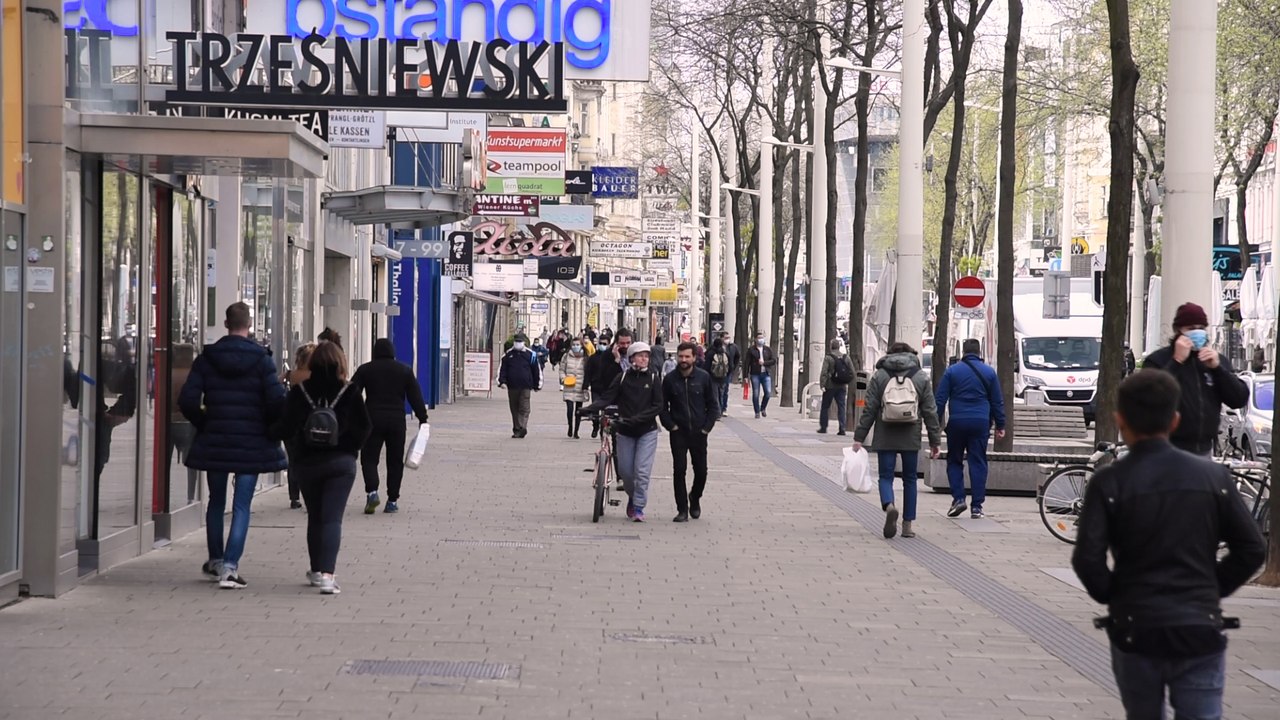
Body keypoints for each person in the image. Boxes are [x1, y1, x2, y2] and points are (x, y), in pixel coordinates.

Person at [1071, 370, 1265, 720]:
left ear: (1120, 420)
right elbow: (1252, 548)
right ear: (1175, 420)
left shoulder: (1109, 482)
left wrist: (1116, 594)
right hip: (1198, 625)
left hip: (1135, 625)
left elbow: (1087, 559)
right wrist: (1210, 588)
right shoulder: (1214, 477)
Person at [179, 302, 289, 589]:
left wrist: (205, 422)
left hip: (216, 439)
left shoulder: (207, 358)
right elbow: (276, 402)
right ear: (249, 324)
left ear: (226, 324)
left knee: (216, 501)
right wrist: (268, 427)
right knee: (242, 505)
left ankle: (215, 559)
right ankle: (230, 567)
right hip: (252, 442)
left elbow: (187, 400)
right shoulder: (263, 360)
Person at [268, 341, 372, 595]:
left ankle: (316, 570)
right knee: (332, 518)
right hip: (341, 463)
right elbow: (365, 426)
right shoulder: (350, 391)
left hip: (307, 462)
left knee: (315, 516)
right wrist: (350, 447)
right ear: (341, 362)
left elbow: (286, 427)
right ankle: (327, 574)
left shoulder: (300, 390)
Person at [853, 342, 942, 540]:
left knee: (886, 476)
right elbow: (930, 411)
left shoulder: (880, 375)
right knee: (910, 479)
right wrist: (935, 441)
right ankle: (907, 525)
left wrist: (859, 437)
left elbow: (869, 409)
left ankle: (889, 505)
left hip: (885, 432)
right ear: (911, 354)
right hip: (911, 433)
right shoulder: (920, 376)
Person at [1142, 302, 1249, 455]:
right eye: (1191, 329)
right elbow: (1149, 398)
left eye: (1201, 328)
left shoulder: (1215, 361)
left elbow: (1238, 399)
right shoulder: (1158, 361)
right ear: (1178, 331)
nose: (1197, 332)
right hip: (1166, 448)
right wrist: (1176, 362)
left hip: (1205, 449)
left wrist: (1218, 370)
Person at [585, 342, 662, 522]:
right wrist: (589, 409)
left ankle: (638, 507)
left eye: (647, 356)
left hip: (647, 431)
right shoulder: (622, 378)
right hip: (625, 431)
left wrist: (639, 418)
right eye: (640, 355)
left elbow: (658, 406)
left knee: (641, 472)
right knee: (626, 473)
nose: (644, 359)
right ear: (632, 358)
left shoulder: (653, 379)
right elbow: (607, 398)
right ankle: (633, 497)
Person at [352, 338, 429, 514]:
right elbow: (415, 396)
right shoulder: (404, 371)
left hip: (372, 420)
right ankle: (392, 500)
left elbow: (352, 392)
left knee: (369, 458)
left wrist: (354, 414)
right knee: (395, 461)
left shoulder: (365, 370)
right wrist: (422, 418)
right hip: (396, 422)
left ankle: (372, 492)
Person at [934, 338, 1007, 519]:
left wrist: (934, 425)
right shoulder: (989, 373)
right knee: (978, 462)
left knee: (954, 460)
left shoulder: (952, 371)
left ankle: (959, 498)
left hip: (957, 422)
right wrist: (1001, 425)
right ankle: (977, 506)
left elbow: (940, 400)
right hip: (980, 423)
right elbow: (997, 401)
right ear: (979, 352)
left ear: (963, 352)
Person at [660, 342, 719, 522]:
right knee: (679, 470)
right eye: (681, 356)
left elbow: (713, 405)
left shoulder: (704, 378)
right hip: (678, 432)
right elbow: (662, 406)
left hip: (699, 433)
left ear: (694, 357)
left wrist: (706, 428)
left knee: (701, 471)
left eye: (687, 356)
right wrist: (671, 425)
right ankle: (682, 509)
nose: (683, 360)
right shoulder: (670, 379)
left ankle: (695, 497)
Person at [282, 342, 317, 510]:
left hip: (290, 422)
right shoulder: (315, 376)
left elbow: (275, 388)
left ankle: (294, 496)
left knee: (293, 461)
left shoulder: (289, 375)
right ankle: (309, 493)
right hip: (310, 423)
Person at [584, 329, 632, 439]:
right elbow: (606, 378)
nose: (625, 346)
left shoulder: (635, 355)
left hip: (630, 399)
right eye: (622, 343)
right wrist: (616, 360)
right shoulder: (607, 355)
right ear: (616, 343)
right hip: (612, 397)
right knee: (612, 431)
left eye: (628, 343)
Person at [497, 333, 542, 439]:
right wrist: (501, 382)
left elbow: (536, 370)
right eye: (516, 341)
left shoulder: (531, 355)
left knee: (524, 408)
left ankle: (522, 427)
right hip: (512, 386)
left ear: (524, 343)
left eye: (520, 341)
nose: (518, 343)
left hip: (526, 386)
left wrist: (537, 385)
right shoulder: (508, 355)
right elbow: (502, 369)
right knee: (514, 408)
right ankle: (517, 429)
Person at [817, 338, 854, 435]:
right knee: (841, 406)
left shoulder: (828, 358)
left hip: (830, 385)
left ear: (831, 346)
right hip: (842, 386)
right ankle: (842, 428)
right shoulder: (846, 357)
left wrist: (822, 384)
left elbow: (824, 372)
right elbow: (852, 372)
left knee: (825, 406)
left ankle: (823, 427)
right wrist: (847, 381)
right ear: (839, 346)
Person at [560, 338, 589, 438]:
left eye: (577, 344)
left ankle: (576, 431)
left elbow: (588, 371)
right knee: (569, 409)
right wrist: (563, 378)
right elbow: (562, 369)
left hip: (580, 386)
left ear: (581, 345)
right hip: (569, 385)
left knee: (578, 410)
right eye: (574, 344)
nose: (575, 346)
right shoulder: (566, 356)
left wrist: (586, 384)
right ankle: (570, 427)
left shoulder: (585, 358)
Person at [746, 333, 776, 418]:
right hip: (755, 374)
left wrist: (765, 363)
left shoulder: (767, 349)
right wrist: (746, 376)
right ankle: (757, 411)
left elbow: (773, 360)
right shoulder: (751, 350)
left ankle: (763, 408)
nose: (761, 339)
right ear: (755, 339)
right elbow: (747, 363)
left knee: (768, 392)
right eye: (759, 338)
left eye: (762, 338)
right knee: (756, 393)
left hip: (765, 373)